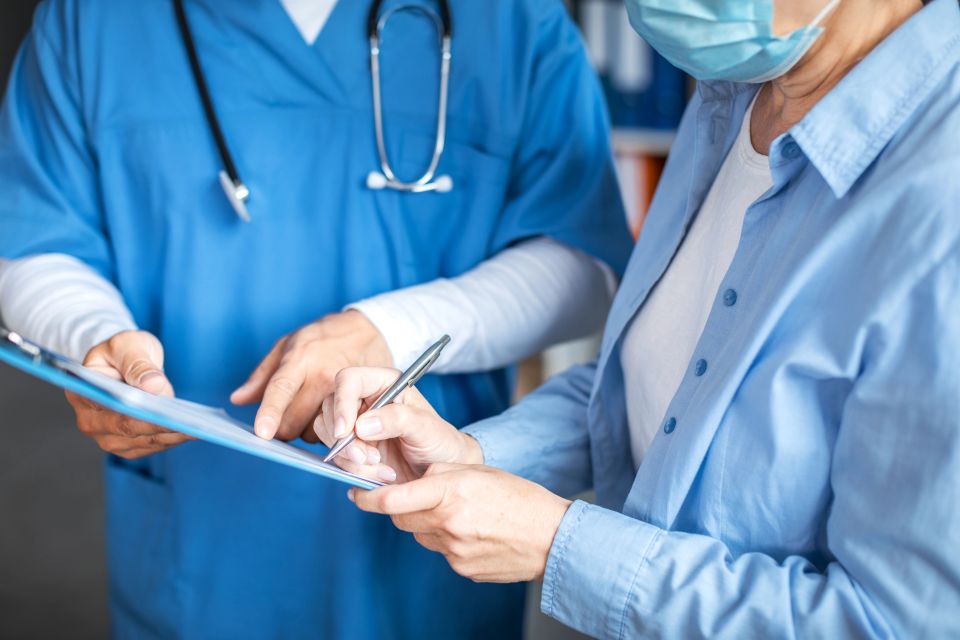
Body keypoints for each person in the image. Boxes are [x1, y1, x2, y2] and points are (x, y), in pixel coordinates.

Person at [318, 0, 960, 636]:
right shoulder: (734, 99)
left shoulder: (938, 204)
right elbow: (665, 390)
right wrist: (477, 453)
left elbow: (891, 622)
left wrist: (558, 545)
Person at [0, 0, 631, 637]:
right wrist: (93, 337)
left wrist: (392, 328)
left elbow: (585, 261)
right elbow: (35, 237)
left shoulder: (513, 21)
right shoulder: (94, 20)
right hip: (199, 538)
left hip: (420, 529)